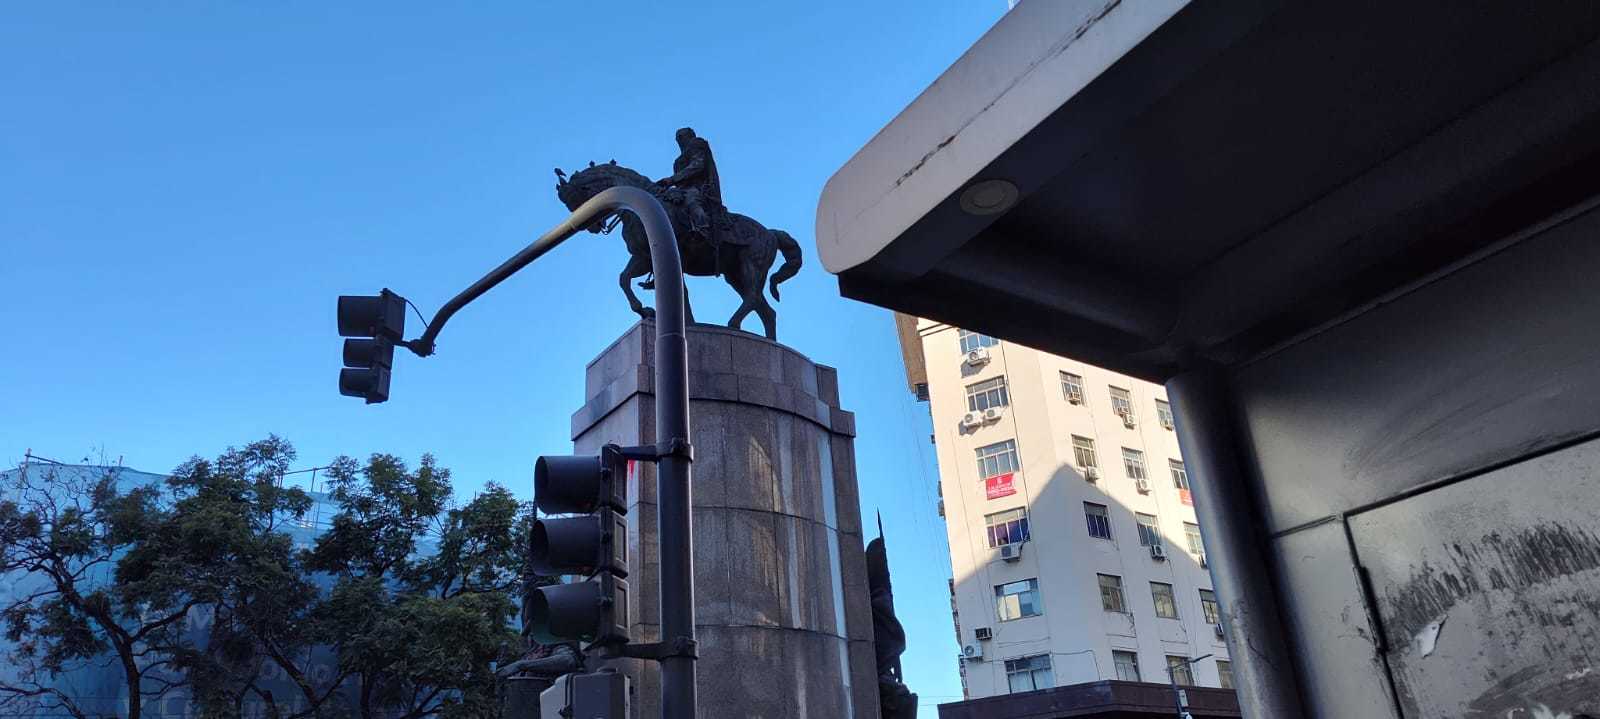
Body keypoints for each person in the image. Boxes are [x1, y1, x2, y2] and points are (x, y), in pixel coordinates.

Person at [655, 127, 723, 249]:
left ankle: (703, 230)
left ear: (689, 136)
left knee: (692, 201)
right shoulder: (679, 159)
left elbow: (697, 166)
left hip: (699, 188)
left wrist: (672, 179)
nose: (679, 140)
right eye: (678, 138)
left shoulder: (697, 144)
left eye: (681, 137)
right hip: (682, 189)